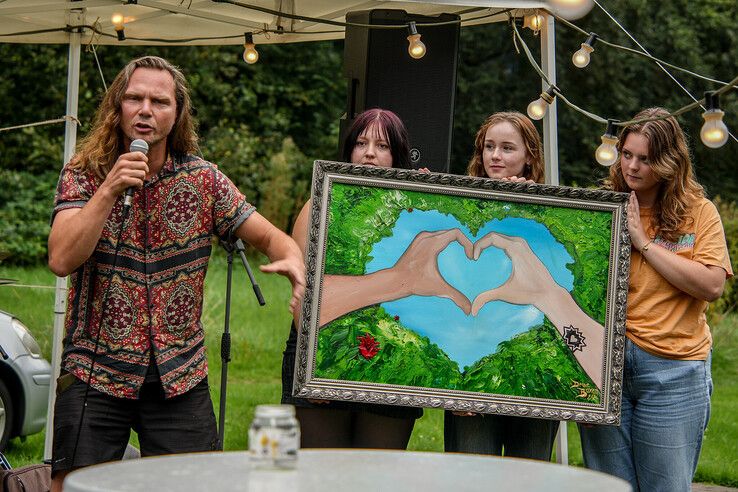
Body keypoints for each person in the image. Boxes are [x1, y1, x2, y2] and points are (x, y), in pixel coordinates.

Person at [47, 56, 305, 491]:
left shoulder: (205, 180)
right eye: (135, 98)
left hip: (178, 375)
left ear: (177, 112)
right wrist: (110, 187)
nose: (146, 109)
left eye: (159, 101)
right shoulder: (85, 173)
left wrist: (294, 261)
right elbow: (61, 259)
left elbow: (273, 239)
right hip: (96, 370)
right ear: (118, 106)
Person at [579, 108, 732, 491]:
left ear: (668, 163)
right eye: (627, 154)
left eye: (644, 159)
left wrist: (643, 242)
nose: (631, 166)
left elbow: (712, 285)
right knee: (609, 486)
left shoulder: (699, 213)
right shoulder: (604, 206)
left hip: (673, 372)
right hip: (605, 369)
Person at [281, 108, 423, 449]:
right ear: (349, 151)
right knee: (321, 474)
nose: (369, 152)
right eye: (361, 143)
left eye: (382, 146)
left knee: (378, 474)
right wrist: (317, 366)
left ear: (397, 156)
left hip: (393, 358)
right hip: (323, 351)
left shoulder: (416, 209)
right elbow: (303, 291)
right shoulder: (319, 202)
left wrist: (427, 196)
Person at [443, 111, 559, 461]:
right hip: (471, 361)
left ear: (530, 156)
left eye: (508, 148)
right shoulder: (457, 206)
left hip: (534, 369)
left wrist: (535, 213)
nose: (495, 156)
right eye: (489, 147)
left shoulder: (555, 212)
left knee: (529, 476)